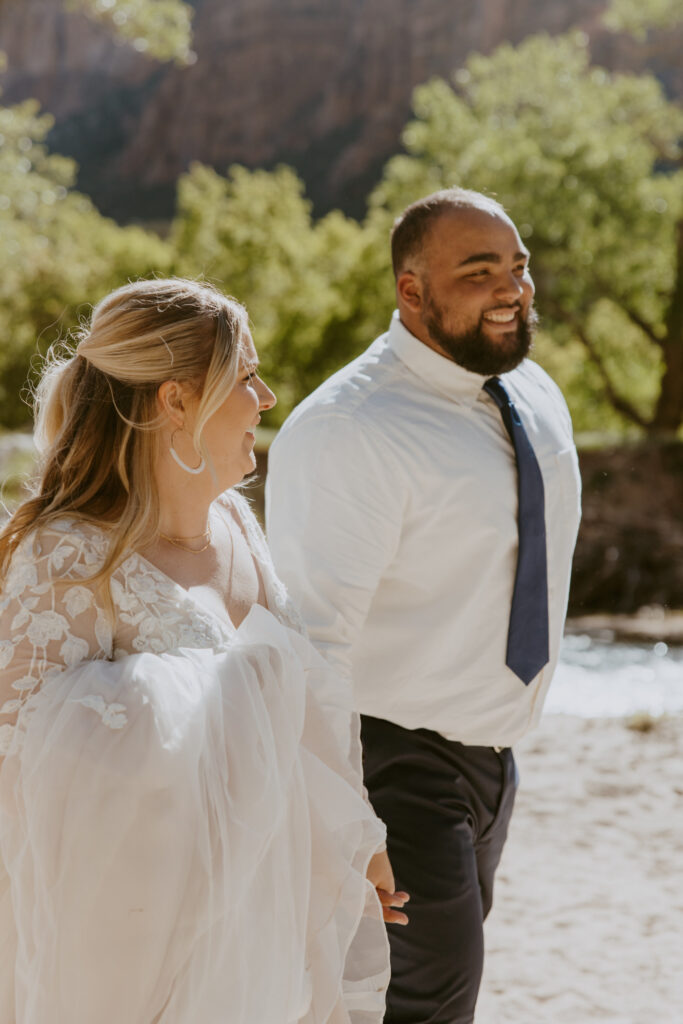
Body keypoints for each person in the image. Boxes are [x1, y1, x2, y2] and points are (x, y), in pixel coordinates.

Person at [0, 278, 394, 1024]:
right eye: (246, 375)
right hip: (130, 942)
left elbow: (302, 698)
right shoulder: (67, 556)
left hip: (258, 914)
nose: (267, 397)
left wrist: (356, 838)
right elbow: (17, 770)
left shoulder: (238, 526)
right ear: (176, 400)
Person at [266, 188, 582, 1024]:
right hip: (388, 761)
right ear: (410, 290)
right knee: (425, 1002)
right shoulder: (348, 429)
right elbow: (311, 644)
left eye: (515, 267)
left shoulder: (531, 392)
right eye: (478, 272)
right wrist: (346, 819)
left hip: (491, 758)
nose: (511, 288)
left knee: (423, 995)